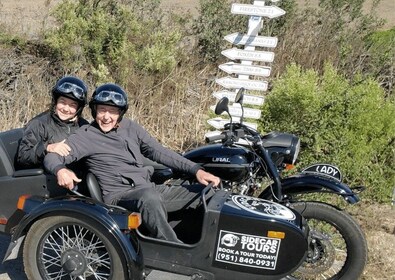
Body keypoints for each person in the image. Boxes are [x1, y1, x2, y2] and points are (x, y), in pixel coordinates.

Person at [44, 83, 220, 242]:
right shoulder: (86, 135)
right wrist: (60, 170)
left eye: (112, 111)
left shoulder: (130, 128)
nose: (106, 117)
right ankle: (173, 250)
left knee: (208, 194)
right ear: (94, 110)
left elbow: (159, 152)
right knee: (150, 198)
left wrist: (196, 170)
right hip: (119, 197)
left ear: (121, 113)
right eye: (102, 110)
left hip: (147, 188)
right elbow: (52, 157)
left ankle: (201, 244)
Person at [17, 76, 89, 168]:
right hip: (49, 177)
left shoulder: (83, 126)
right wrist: (47, 148)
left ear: (78, 109)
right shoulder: (39, 124)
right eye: (62, 102)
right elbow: (23, 157)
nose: (66, 109)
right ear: (55, 101)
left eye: (72, 105)